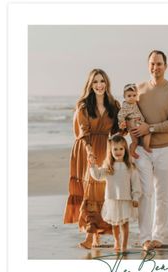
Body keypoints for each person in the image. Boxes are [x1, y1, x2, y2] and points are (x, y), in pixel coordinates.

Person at [131, 50, 168, 251]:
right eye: (152, 64)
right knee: (145, 193)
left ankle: (158, 236)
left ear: (166, 66)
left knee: (162, 195)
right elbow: (131, 115)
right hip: (142, 151)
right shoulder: (139, 89)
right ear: (148, 65)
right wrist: (132, 141)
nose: (156, 67)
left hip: (166, 149)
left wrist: (150, 128)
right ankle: (145, 237)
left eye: (159, 64)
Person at [63, 68, 121, 249]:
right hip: (86, 149)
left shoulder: (114, 105)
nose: (99, 85)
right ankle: (90, 234)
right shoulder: (83, 107)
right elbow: (83, 132)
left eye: (102, 81)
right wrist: (89, 151)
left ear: (107, 83)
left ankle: (96, 235)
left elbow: (117, 131)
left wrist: (126, 127)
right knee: (90, 191)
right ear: (90, 85)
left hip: (106, 148)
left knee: (102, 191)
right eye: (95, 81)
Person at [89, 135, 141, 252]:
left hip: (126, 199)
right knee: (115, 224)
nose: (118, 152)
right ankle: (117, 241)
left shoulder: (130, 166)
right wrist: (92, 165)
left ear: (125, 150)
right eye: (115, 149)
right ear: (110, 151)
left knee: (125, 224)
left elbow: (135, 183)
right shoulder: (108, 167)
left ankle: (124, 246)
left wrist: (136, 197)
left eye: (121, 149)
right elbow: (97, 176)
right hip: (112, 199)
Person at [118, 83, 151, 158]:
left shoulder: (135, 103)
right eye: (129, 96)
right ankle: (132, 151)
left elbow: (138, 112)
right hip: (133, 126)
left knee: (148, 133)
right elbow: (120, 115)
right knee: (135, 141)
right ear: (124, 97)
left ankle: (146, 146)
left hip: (139, 123)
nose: (132, 98)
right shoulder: (125, 106)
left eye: (134, 95)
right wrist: (122, 122)